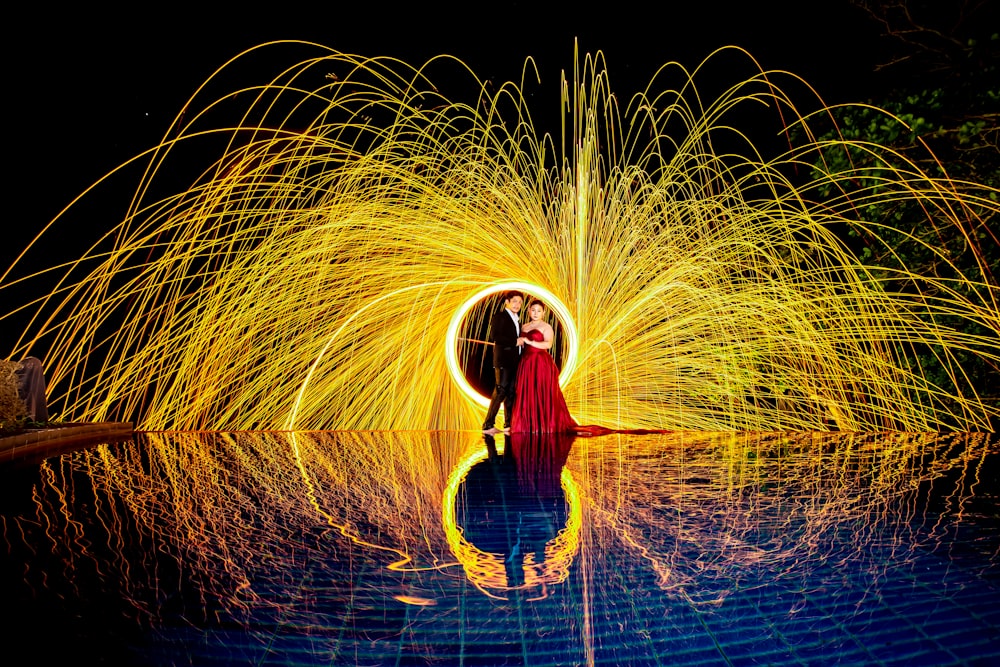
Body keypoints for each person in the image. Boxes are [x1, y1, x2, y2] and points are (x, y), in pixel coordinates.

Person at [509, 299, 577, 433]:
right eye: (533, 310)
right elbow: (522, 344)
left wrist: (529, 341)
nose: (535, 313)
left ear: (543, 313)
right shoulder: (524, 327)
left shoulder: (546, 327)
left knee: (541, 392)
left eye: (538, 311)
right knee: (527, 393)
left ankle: (545, 425)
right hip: (526, 363)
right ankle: (529, 426)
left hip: (540, 363)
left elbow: (548, 344)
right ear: (528, 311)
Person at [482, 291, 525, 433]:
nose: (517, 304)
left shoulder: (517, 319)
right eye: (514, 301)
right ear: (507, 301)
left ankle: (508, 424)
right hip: (503, 360)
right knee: (501, 391)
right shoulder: (500, 317)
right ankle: (488, 425)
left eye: (520, 302)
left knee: (511, 392)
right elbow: (495, 336)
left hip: (514, 361)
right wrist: (515, 341)